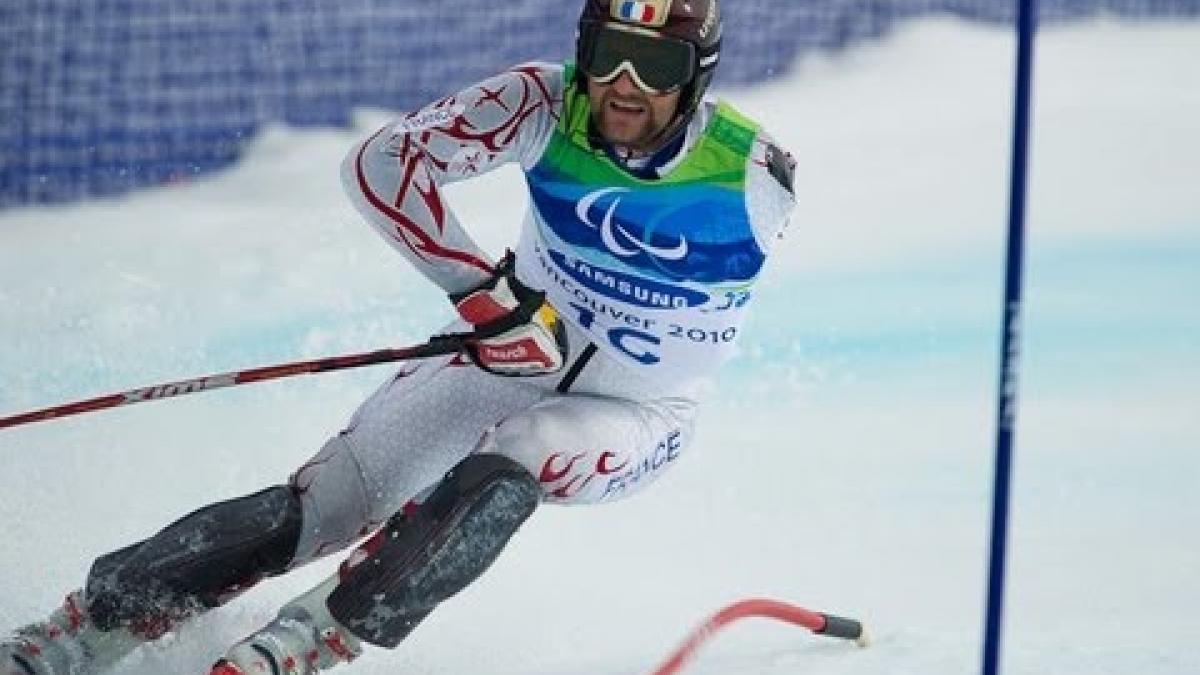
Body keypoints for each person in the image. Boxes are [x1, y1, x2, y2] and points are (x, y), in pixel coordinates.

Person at [1, 1, 795, 673]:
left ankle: (304, 645)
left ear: (696, 77)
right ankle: (74, 631)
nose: (624, 86)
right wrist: (485, 297)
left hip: (634, 411)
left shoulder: (752, 174)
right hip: (506, 357)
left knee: (516, 459)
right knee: (325, 502)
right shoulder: (544, 103)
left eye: (656, 68)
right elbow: (382, 165)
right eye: (611, 56)